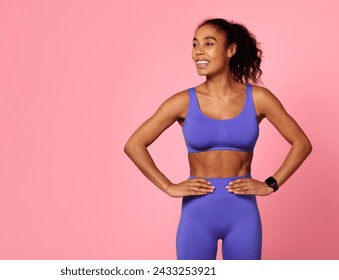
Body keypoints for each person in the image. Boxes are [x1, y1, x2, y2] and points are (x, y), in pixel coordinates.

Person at [123, 18, 312, 260]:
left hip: (242, 214)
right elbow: (134, 145)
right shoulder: (181, 101)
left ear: (230, 50)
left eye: (208, 43)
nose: (198, 51)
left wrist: (270, 184)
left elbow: (301, 143)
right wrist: (168, 187)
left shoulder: (259, 99)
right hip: (197, 214)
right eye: (194, 45)